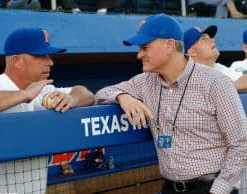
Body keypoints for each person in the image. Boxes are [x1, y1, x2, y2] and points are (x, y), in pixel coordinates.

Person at [95, 13, 247, 194]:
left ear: (169, 45)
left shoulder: (215, 82)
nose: (139, 54)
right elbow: (101, 93)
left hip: (211, 186)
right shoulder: (145, 81)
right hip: (170, 187)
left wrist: (219, 191)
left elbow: (241, 143)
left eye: (145, 47)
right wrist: (123, 97)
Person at [0, 27, 94, 193]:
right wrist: (24, 94)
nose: (50, 61)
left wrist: (72, 99)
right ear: (17, 60)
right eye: (41, 55)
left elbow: (86, 94)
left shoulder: (43, 89)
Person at [184, 25, 247, 92]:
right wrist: (234, 86)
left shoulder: (220, 68)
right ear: (192, 52)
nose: (212, 40)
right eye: (203, 39)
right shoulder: (189, 75)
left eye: (211, 37)